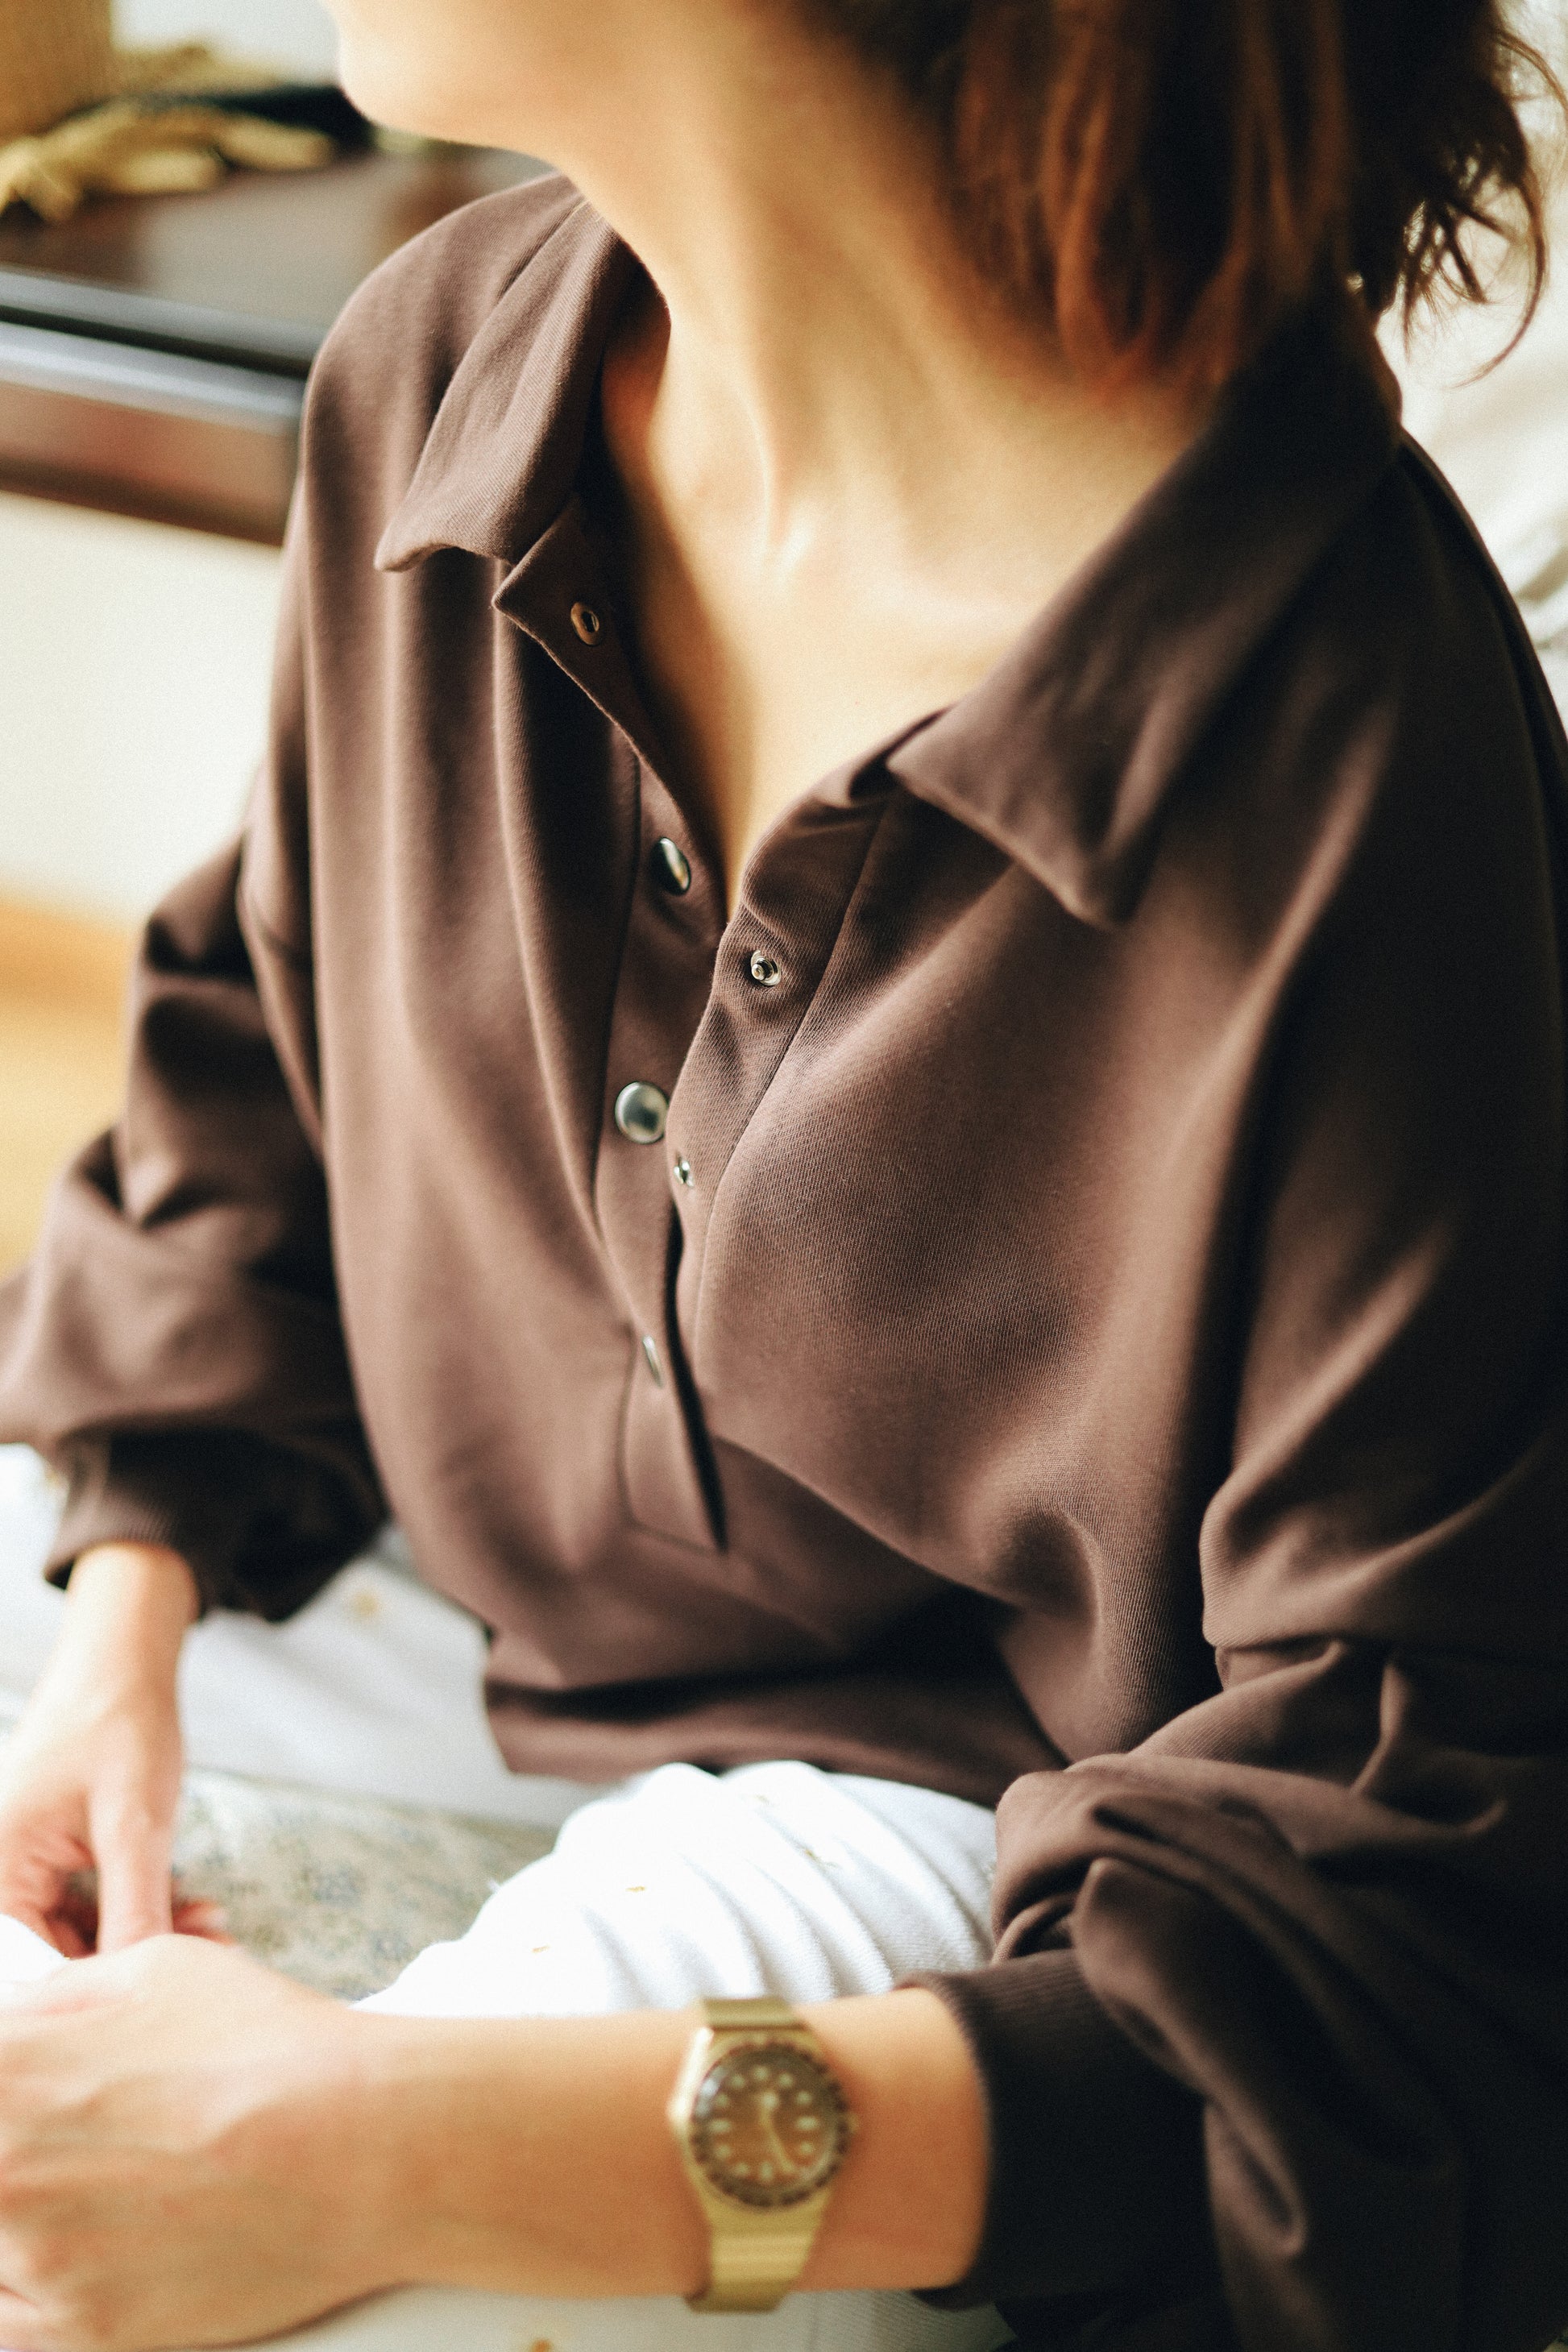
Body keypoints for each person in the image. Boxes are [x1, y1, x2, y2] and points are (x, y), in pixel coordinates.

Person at [0, 2, 1563, 2349]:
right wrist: (121, 1614)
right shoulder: (437, 370)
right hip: (435, 1586)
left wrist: (358, 2143)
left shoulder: (1347, 751)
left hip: (973, 1808)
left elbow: (1393, 1957)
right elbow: (256, 1059)